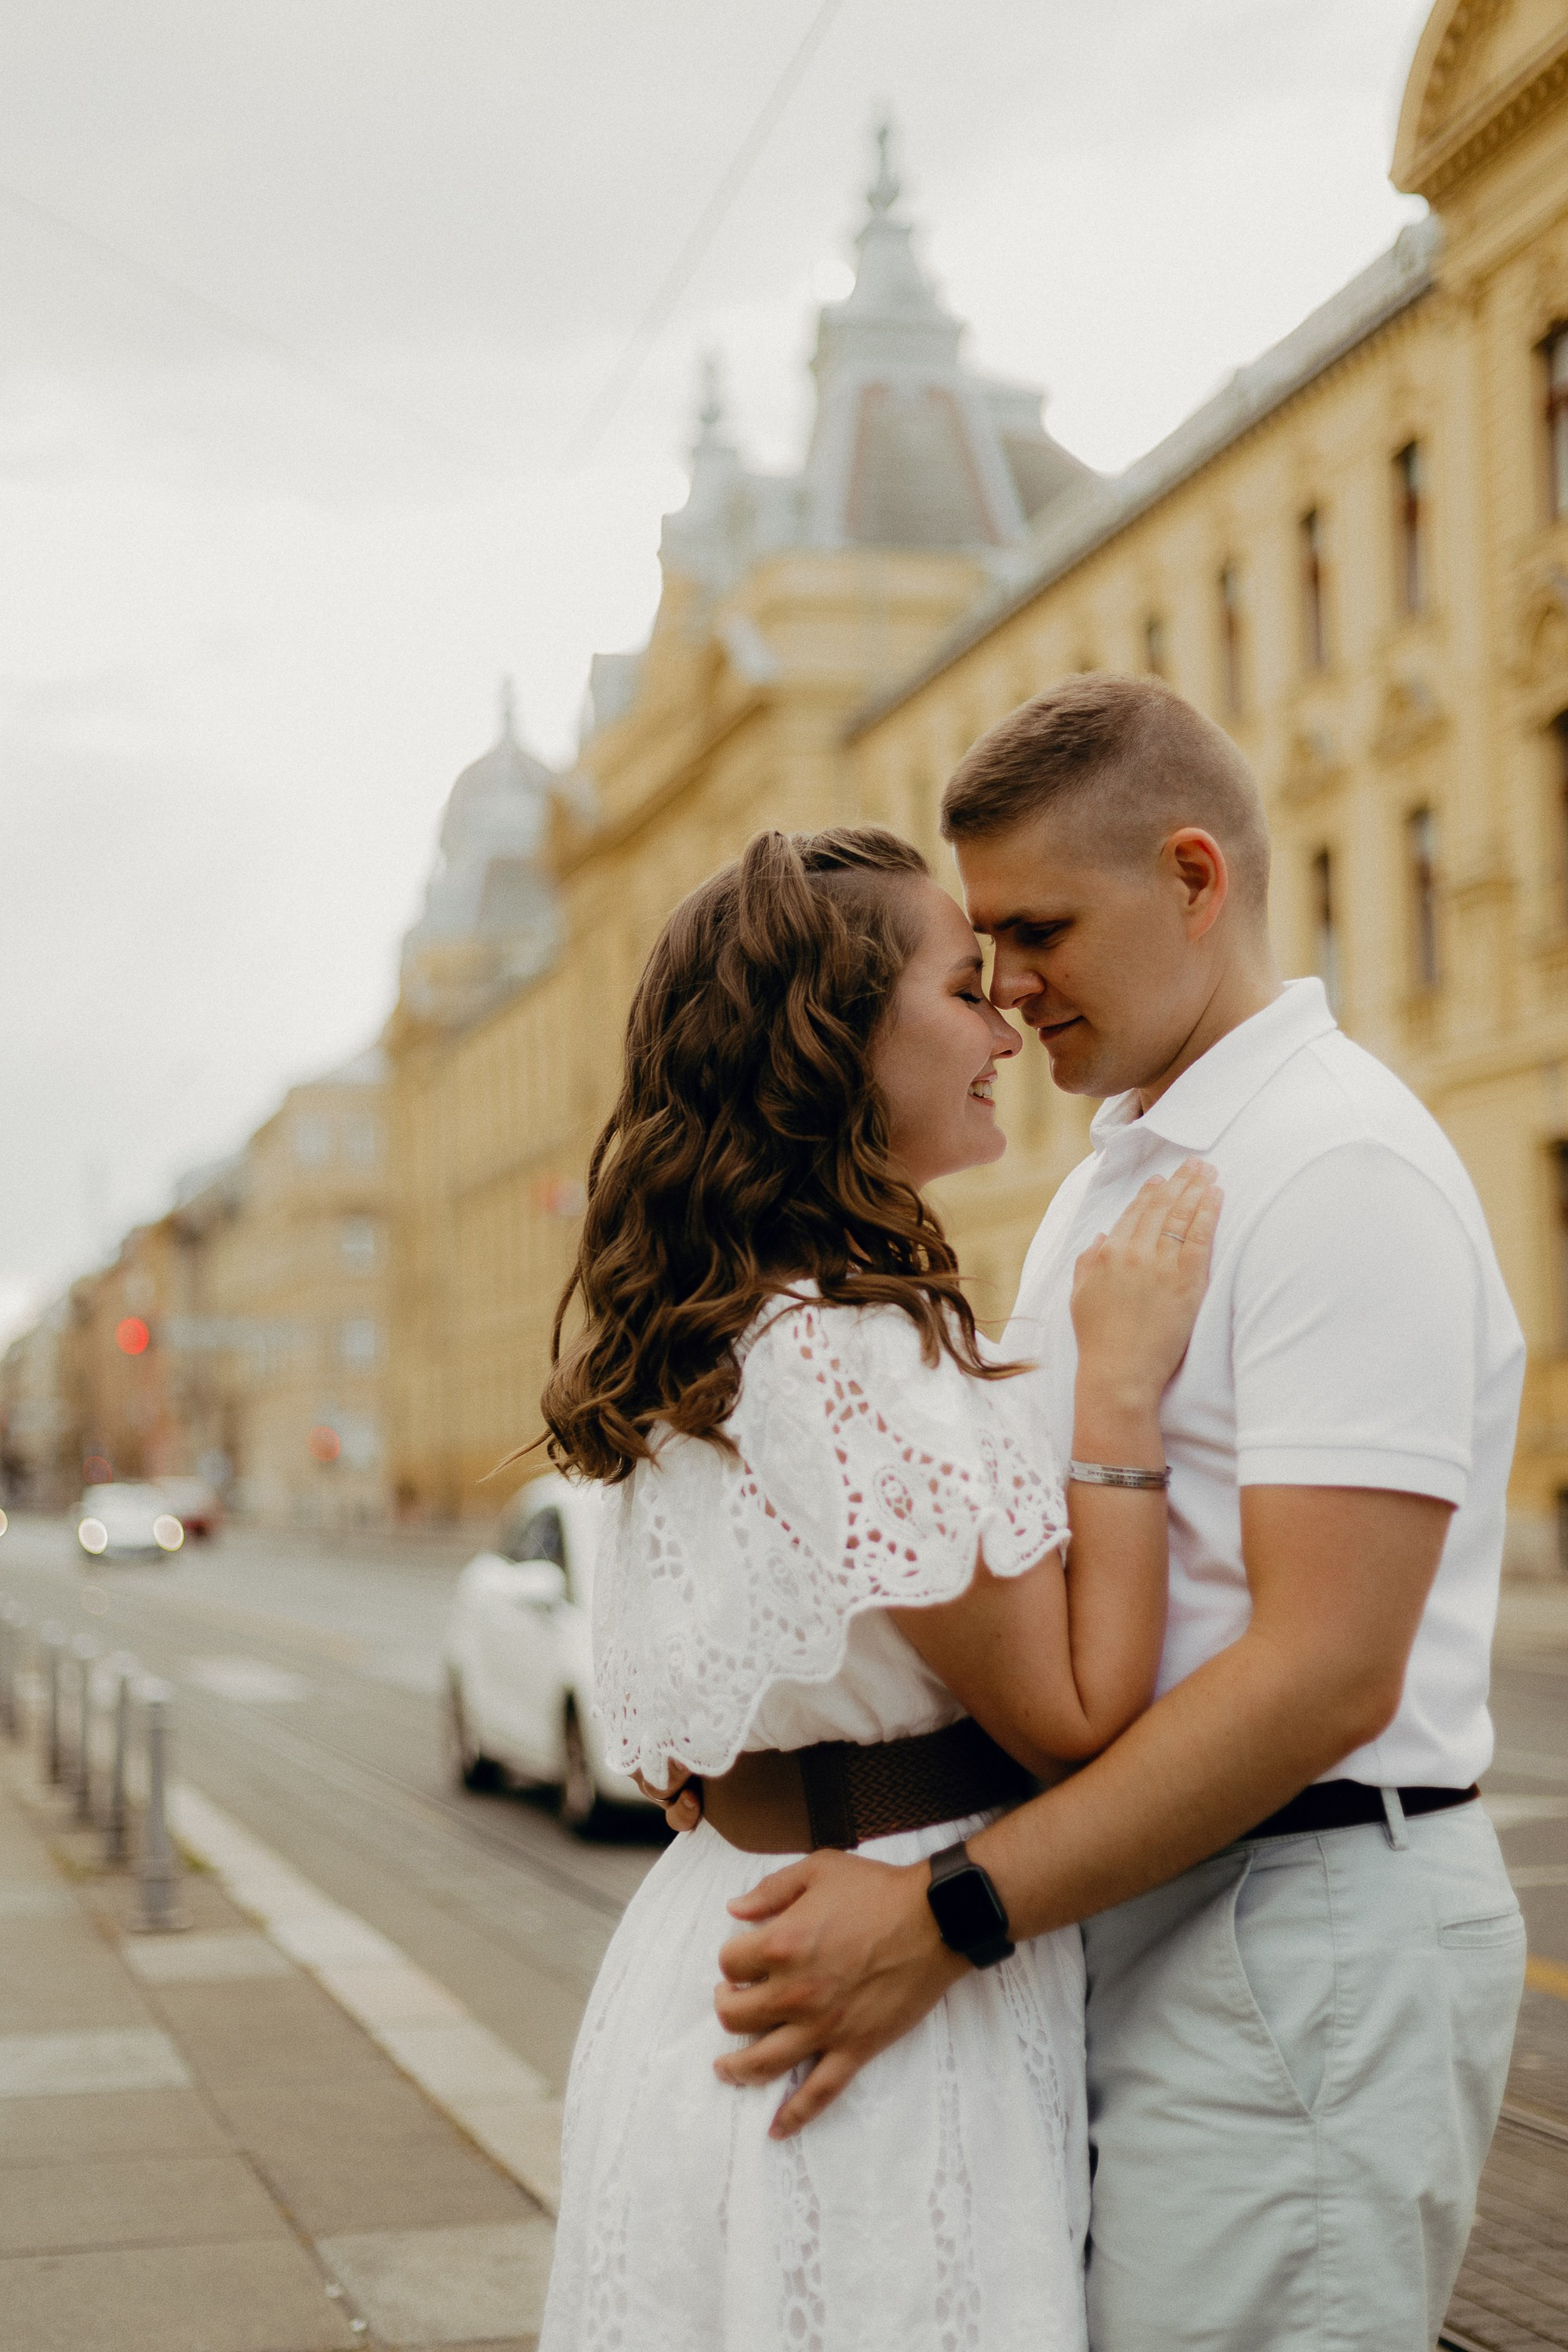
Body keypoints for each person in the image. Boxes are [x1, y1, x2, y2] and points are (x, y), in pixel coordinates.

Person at [696, 676, 1530, 2352]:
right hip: (1139, 1913)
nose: (1006, 986)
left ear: (1193, 880)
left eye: (1041, 929)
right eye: (986, 938)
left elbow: (1324, 1673)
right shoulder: (1111, 1175)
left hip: (1298, 1925)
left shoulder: (1334, 1164)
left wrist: (948, 1913)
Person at [535, 822, 1220, 2352]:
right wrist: (1117, 1390)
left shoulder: (713, 1332)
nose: (1005, 1027)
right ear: (836, 1041)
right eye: (964, 990)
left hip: (714, 1958)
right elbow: (1076, 1717)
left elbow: (677, 1757)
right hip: (867, 1992)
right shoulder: (852, 1354)